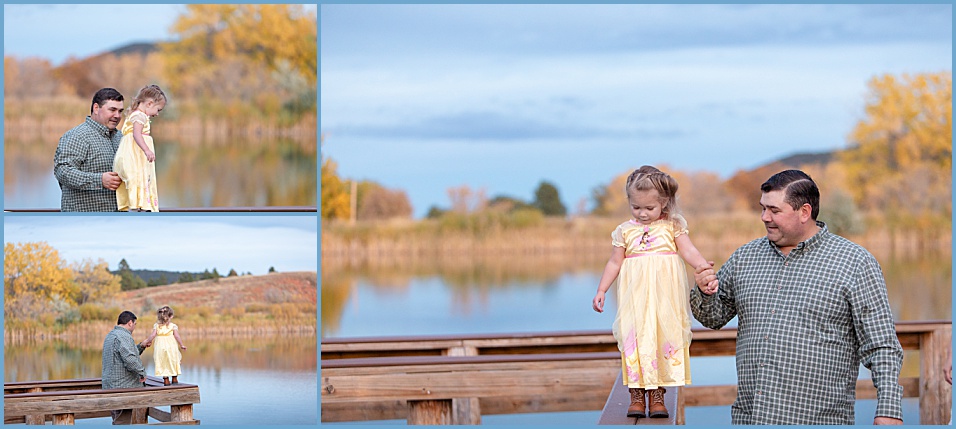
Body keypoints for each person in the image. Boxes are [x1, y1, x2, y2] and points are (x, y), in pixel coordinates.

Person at [691, 169, 904, 425]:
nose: (764, 217)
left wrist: (889, 410)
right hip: (750, 419)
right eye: (763, 208)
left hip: (818, 421)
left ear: (804, 212)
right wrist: (704, 291)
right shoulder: (745, 258)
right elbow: (712, 317)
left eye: (774, 211)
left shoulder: (855, 263)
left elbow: (882, 345)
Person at [592, 165, 715, 419]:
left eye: (649, 208)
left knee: (661, 336)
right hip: (635, 298)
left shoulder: (672, 226)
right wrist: (602, 289)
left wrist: (702, 265)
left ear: (664, 204)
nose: (643, 213)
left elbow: (688, 250)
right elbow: (615, 262)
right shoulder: (624, 230)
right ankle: (637, 394)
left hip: (664, 297)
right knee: (634, 339)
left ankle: (658, 395)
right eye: (636, 207)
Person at [54, 88, 125, 211]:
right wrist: (99, 180)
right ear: (96, 108)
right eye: (112, 110)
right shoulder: (77, 136)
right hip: (83, 220)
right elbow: (62, 171)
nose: (117, 116)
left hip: (116, 220)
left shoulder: (121, 137)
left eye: (120, 111)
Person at [114, 85, 166, 212]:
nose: (157, 114)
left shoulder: (134, 114)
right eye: (158, 110)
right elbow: (136, 134)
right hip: (135, 155)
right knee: (139, 178)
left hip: (131, 153)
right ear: (149, 103)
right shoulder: (140, 116)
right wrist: (147, 150)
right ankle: (139, 205)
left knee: (139, 179)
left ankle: (137, 204)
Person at [102, 310, 151, 424]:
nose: (134, 327)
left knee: (118, 419)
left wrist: (141, 346)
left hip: (111, 386)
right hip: (123, 387)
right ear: (130, 322)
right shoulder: (123, 336)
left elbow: (124, 355)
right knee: (123, 421)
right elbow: (129, 359)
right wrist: (142, 373)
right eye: (135, 324)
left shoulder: (111, 335)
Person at [142, 306, 187, 386]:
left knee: (162, 360)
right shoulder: (173, 326)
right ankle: (174, 378)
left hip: (160, 346)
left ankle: (166, 380)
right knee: (173, 360)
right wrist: (181, 345)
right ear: (171, 316)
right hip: (171, 345)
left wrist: (148, 341)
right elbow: (177, 336)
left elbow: (152, 335)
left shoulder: (157, 326)